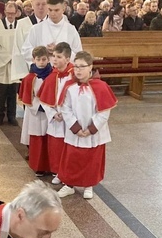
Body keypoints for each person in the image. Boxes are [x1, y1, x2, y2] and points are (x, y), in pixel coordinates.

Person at [55, 50, 116, 199]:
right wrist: (75, 128)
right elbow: (66, 108)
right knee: (72, 158)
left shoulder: (100, 86)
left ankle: (89, 186)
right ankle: (68, 184)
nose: (78, 70)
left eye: (82, 67)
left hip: (93, 132)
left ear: (90, 67)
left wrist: (90, 129)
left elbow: (103, 112)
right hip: (75, 131)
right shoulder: (70, 86)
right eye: (76, 66)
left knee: (91, 159)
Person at [36, 41, 73, 180]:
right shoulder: (52, 76)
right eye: (54, 56)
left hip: (70, 119)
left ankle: (68, 173)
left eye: (59, 57)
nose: (55, 60)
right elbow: (43, 100)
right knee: (56, 147)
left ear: (68, 59)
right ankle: (58, 172)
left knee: (69, 147)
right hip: (56, 118)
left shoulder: (75, 76)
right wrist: (52, 113)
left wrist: (66, 114)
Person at [21, 0, 82, 66]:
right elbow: (25, 51)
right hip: (42, 74)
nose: (53, 13)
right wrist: (43, 52)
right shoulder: (36, 29)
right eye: (50, 10)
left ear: (63, 8)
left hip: (65, 74)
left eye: (56, 10)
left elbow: (78, 56)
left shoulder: (71, 30)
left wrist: (59, 52)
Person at [19, 45, 52, 175]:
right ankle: (38, 166)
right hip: (35, 113)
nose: (42, 62)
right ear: (33, 60)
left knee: (49, 139)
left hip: (50, 112)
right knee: (38, 140)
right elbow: (28, 98)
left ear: (48, 59)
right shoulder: (30, 78)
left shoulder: (52, 75)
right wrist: (38, 106)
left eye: (44, 59)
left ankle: (50, 166)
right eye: (39, 59)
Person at [0, 0, 19, 125]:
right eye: (8, 13)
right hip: (1, 64)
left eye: (13, 13)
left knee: (13, 93)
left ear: (17, 13)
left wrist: (17, 58)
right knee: (0, 93)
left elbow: (24, 44)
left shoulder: (21, 25)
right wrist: (7, 57)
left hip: (16, 64)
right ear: (5, 12)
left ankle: (12, 116)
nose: (10, 15)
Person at [10, 0, 47, 82]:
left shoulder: (54, 23)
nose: (41, 7)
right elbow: (18, 49)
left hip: (51, 72)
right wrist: (23, 75)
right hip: (29, 71)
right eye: (38, 4)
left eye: (44, 4)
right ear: (32, 5)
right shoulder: (22, 24)